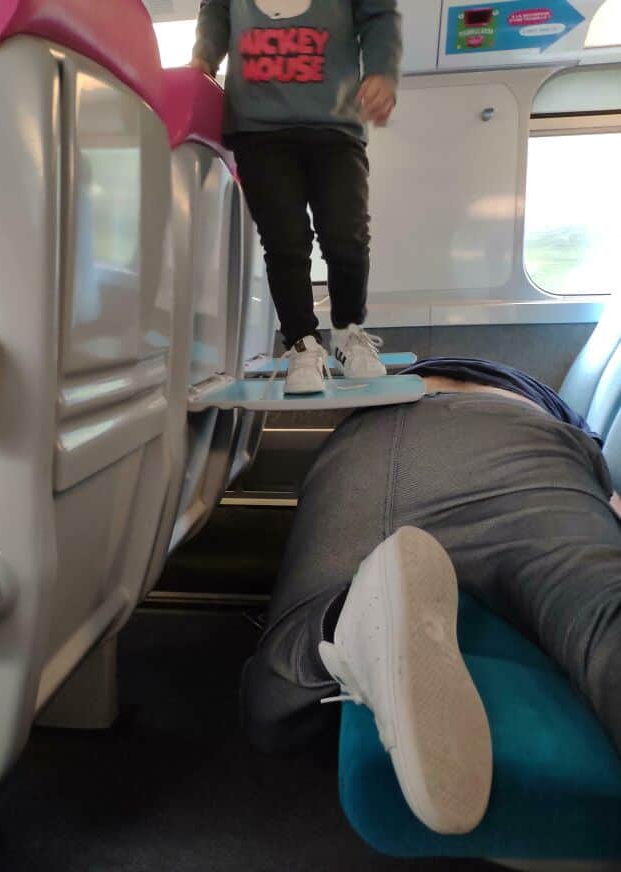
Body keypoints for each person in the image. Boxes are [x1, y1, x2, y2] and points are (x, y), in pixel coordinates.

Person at [240, 357, 621, 834]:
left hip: (378, 446)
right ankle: (353, 620)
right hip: (518, 438)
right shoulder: (540, 398)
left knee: (277, 691)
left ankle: (349, 619)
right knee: (601, 611)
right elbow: (609, 503)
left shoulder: (389, 383)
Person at [190, 0, 402, 394]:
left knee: (346, 238)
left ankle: (347, 332)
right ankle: (302, 344)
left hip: (335, 125)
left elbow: (378, 14)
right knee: (285, 242)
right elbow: (217, 8)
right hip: (258, 128)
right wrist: (204, 57)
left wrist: (381, 72)